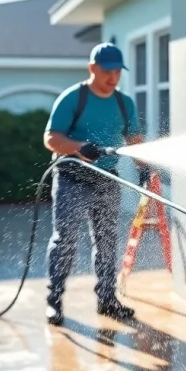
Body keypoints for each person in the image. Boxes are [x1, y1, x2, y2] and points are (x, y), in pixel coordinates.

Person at [43, 42, 145, 326]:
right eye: (107, 71)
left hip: (108, 179)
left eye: (117, 72)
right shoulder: (74, 99)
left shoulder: (125, 104)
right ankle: (55, 301)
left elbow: (134, 140)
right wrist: (78, 147)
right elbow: (51, 138)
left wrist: (144, 169)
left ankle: (107, 300)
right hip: (72, 178)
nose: (113, 78)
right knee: (65, 241)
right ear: (92, 69)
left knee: (107, 242)